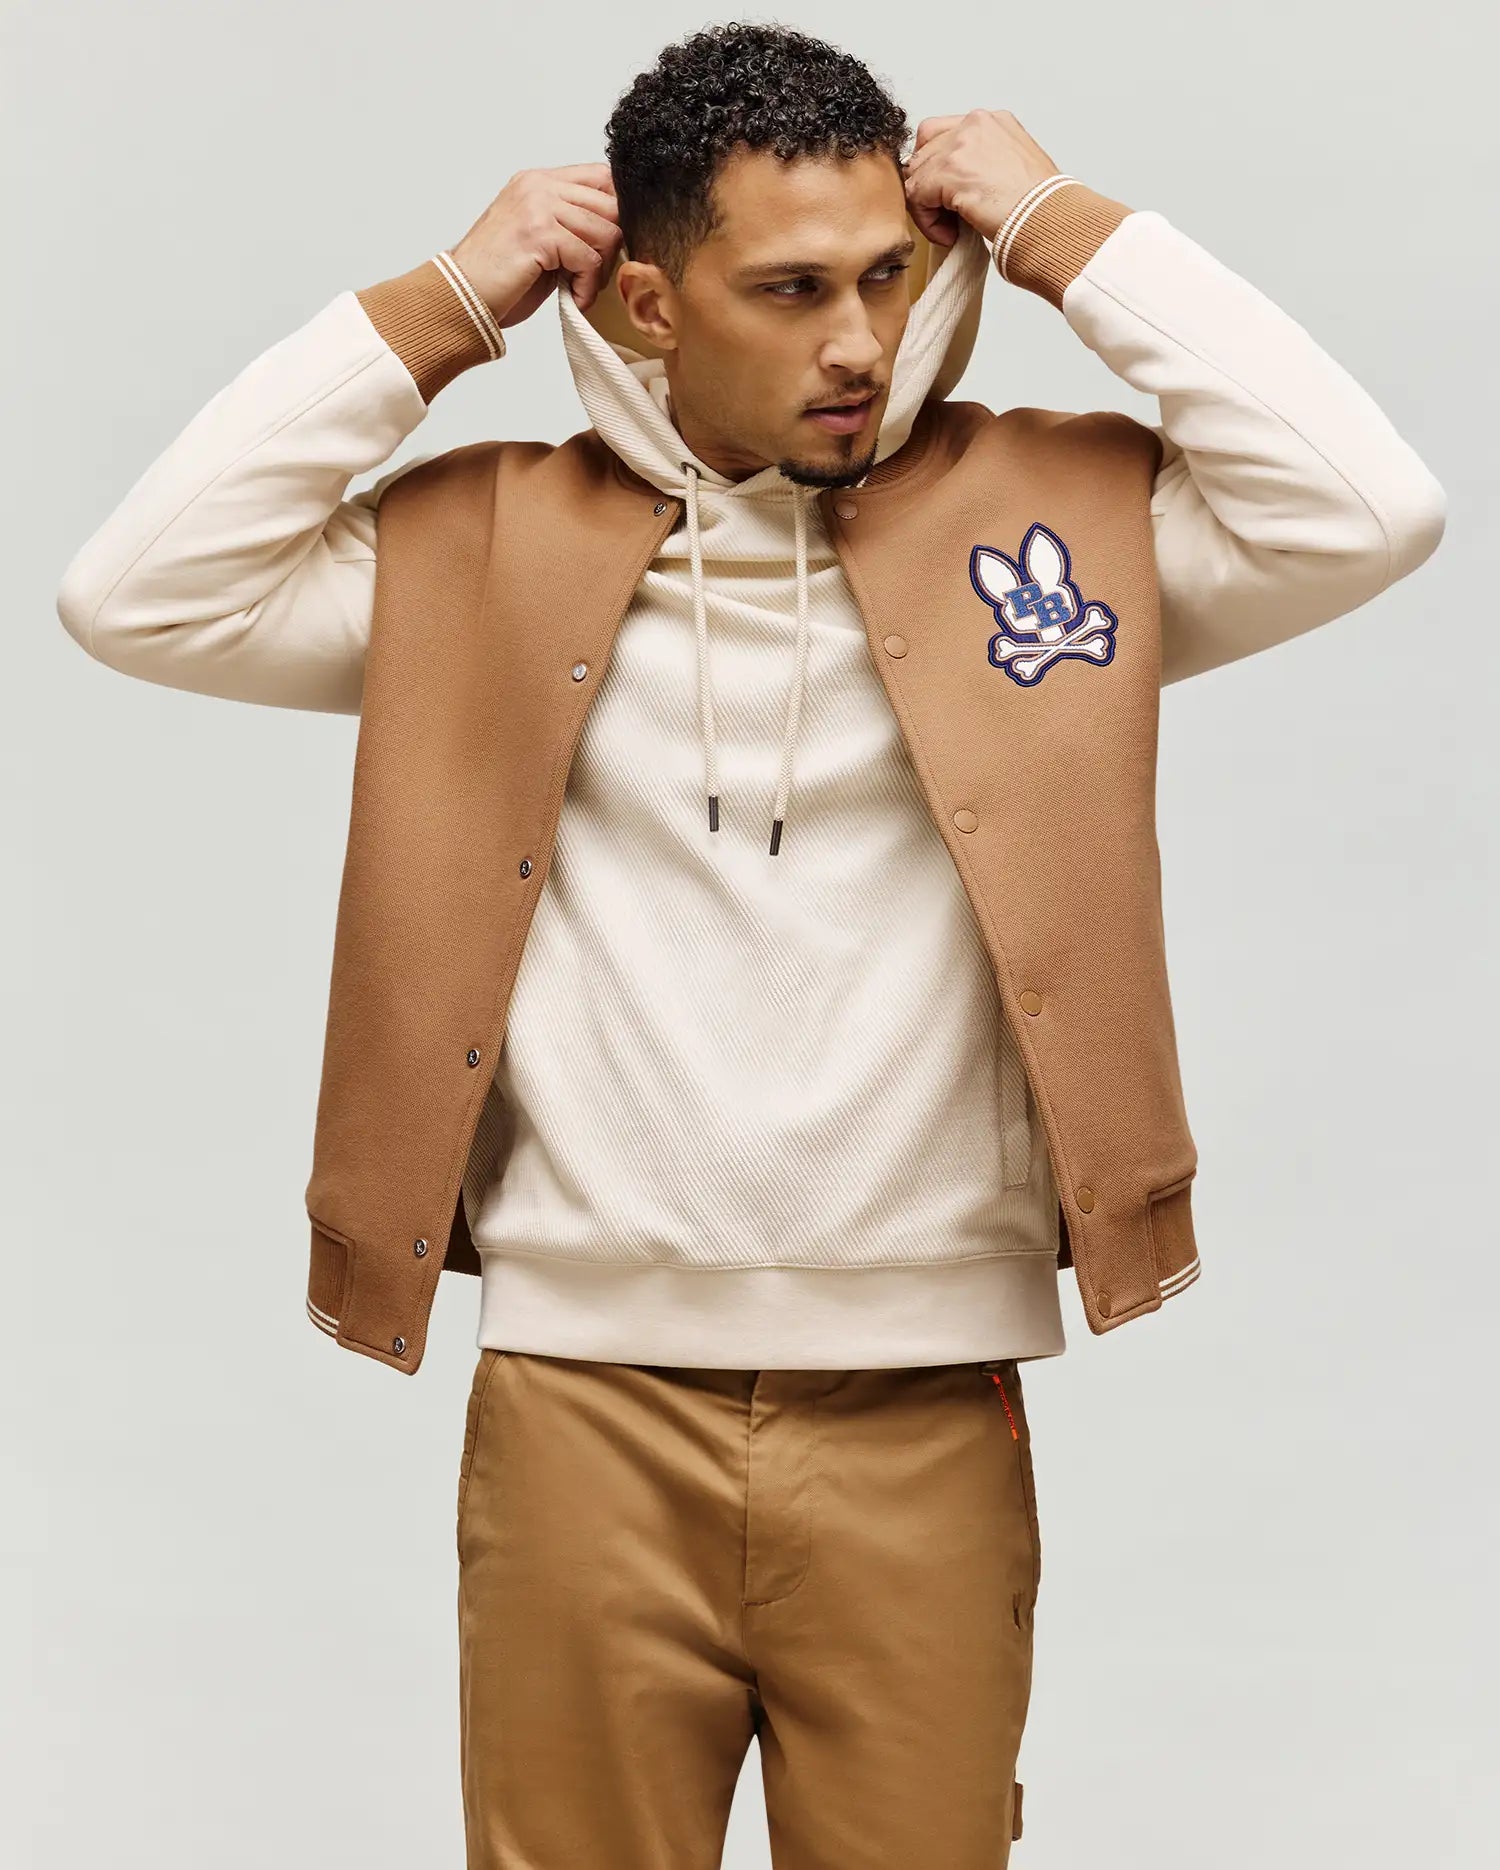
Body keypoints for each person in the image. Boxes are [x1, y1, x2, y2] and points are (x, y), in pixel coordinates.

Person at [55, 21, 1445, 1869]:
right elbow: (135, 592)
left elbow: (1372, 504)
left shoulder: (1060, 528)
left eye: (885, 277)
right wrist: (447, 302)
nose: (858, 340)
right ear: (649, 303)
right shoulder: (481, 554)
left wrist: (1056, 221)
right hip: (582, 1408)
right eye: (791, 290)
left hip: (924, 1406)